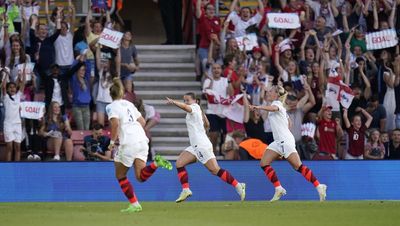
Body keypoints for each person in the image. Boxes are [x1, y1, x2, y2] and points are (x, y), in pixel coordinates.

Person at [249, 85, 327, 202]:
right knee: (264, 163)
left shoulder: (277, 104)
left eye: (270, 91)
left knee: (298, 167)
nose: (268, 93)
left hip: (285, 141)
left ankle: (319, 186)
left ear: (276, 95)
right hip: (278, 142)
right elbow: (289, 123)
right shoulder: (281, 107)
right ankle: (278, 188)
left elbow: (274, 109)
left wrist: (258, 107)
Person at [106, 78, 172, 213]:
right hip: (142, 140)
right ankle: (156, 164)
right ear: (122, 93)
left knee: (120, 175)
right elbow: (142, 122)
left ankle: (135, 204)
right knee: (140, 177)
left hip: (129, 143)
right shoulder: (129, 104)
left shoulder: (111, 106)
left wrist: (112, 142)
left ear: (110, 95)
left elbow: (115, 124)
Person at [166, 92, 246, 203]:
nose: (186, 102)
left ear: (195, 101)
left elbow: (185, 107)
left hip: (201, 145)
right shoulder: (198, 111)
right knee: (179, 163)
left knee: (215, 170)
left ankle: (238, 185)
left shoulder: (194, 107)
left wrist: (174, 102)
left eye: (188, 100)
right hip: (195, 146)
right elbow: (207, 125)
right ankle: (186, 189)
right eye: (184, 100)